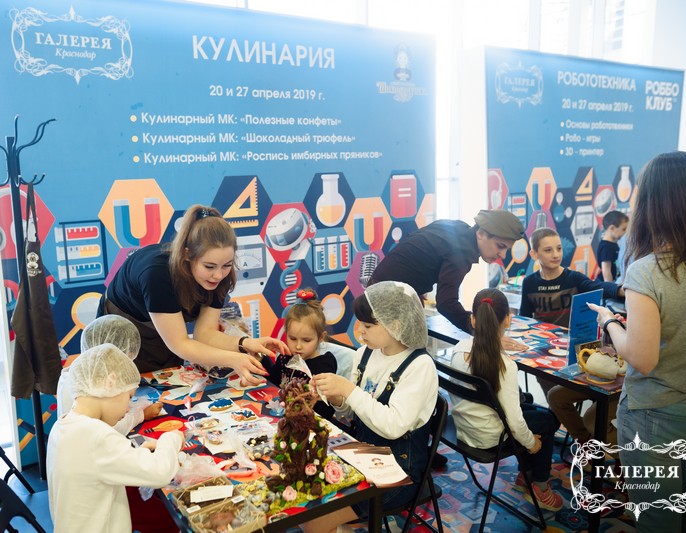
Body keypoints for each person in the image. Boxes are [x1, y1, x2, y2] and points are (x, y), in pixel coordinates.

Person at [588, 151, 686, 533]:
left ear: (651, 203)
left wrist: (610, 322)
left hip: (654, 415)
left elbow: (642, 359)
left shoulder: (648, 270)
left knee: (657, 520)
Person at [99, 204, 288, 381]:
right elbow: (180, 344)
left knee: (167, 382)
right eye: (209, 266)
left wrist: (245, 343)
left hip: (167, 336)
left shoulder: (220, 277)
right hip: (122, 329)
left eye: (227, 265)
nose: (218, 275)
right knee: (121, 387)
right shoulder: (157, 274)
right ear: (187, 255)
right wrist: (233, 359)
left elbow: (204, 333)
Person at [306, 281, 438, 532]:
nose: (360, 331)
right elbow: (351, 412)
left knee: (315, 523)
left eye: (368, 326)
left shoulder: (420, 366)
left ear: (394, 325)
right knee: (305, 493)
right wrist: (335, 397)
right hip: (362, 453)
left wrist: (349, 390)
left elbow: (393, 426)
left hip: (399, 471)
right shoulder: (366, 353)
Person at [47, 343, 185, 532]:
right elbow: (160, 472)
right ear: (110, 384)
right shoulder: (96, 435)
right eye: (129, 397)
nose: (128, 408)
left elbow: (95, 466)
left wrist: (137, 454)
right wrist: (171, 439)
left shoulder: (62, 426)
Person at [450, 288, 563, 511]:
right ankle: (540, 486)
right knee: (549, 420)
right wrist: (531, 443)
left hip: (465, 427)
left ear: (473, 319)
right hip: (490, 436)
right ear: (508, 320)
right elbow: (514, 422)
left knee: (528, 403)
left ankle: (525, 475)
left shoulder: (458, 350)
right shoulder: (504, 366)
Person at [520, 227, 624, 440]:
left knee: (584, 397)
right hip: (545, 355)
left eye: (558, 248)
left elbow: (597, 286)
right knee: (555, 399)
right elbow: (525, 318)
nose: (556, 254)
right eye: (548, 250)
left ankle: (590, 439)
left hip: (576, 353)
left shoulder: (573, 278)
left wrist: (620, 290)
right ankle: (582, 440)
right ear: (534, 254)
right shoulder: (529, 282)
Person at [368, 209, 526, 346]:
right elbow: (446, 303)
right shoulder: (460, 253)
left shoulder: (458, 228)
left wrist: (415, 286)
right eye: (500, 246)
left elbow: (415, 248)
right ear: (480, 233)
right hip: (386, 299)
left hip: (378, 289)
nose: (502, 255)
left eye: (507, 249)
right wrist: (484, 333)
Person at [56, 315, 162, 434]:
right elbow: (106, 430)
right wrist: (141, 415)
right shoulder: (85, 383)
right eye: (125, 357)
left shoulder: (83, 371)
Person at [261, 287, 337, 420]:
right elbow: (275, 382)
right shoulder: (285, 356)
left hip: (310, 421)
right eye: (292, 338)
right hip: (284, 415)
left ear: (320, 338)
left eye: (306, 340)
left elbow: (326, 409)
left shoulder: (324, 364)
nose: (298, 346)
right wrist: (262, 358)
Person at [595, 210, 629, 282]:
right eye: (623, 229)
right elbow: (606, 271)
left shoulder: (612, 245)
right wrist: (611, 287)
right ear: (612, 228)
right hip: (606, 285)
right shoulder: (606, 247)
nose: (625, 232)